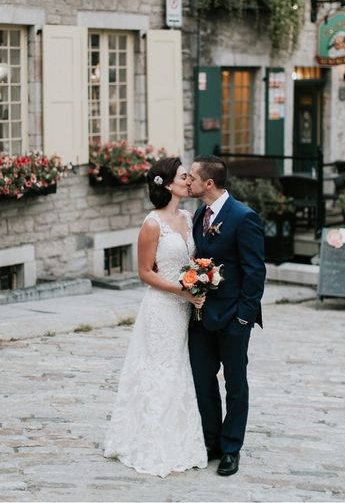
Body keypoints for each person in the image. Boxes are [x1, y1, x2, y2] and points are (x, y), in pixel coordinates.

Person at [103, 157, 207, 477]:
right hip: (162, 307)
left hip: (185, 305)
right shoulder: (152, 224)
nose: (188, 179)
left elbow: (197, 260)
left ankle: (181, 440)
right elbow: (145, 273)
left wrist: (201, 281)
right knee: (160, 368)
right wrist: (181, 291)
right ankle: (152, 442)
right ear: (168, 184)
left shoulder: (190, 218)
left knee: (179, 369)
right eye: (182, 176)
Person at [187, 155, 266, 477]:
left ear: (208, 183)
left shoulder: (243, 217)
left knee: (235, 385)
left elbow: (255, 272)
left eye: (191, 176)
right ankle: (212, 442)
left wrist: (244, 319)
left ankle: (232, 448)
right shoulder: (198, 214)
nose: (186, 180)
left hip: (234, 317)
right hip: (201, 316)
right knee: (203, 382)